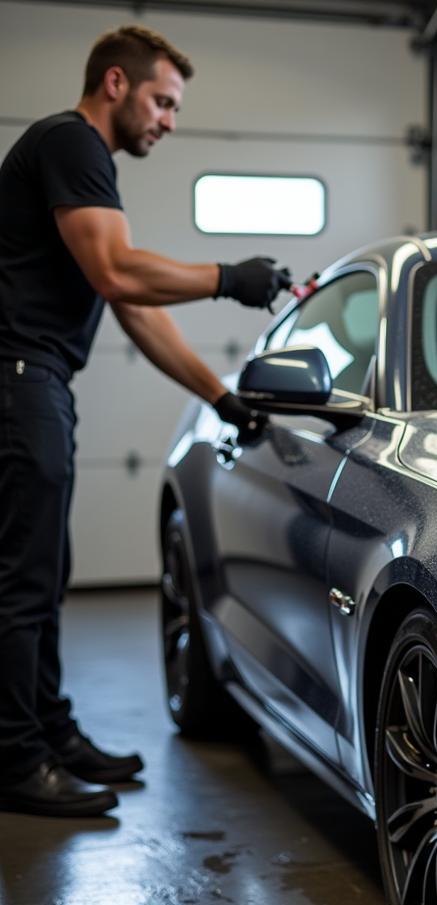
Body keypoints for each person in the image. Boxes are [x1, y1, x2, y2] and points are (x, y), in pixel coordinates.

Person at [0, 25, 289, 817]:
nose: (168, 120)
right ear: (117, 85)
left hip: (39, 383)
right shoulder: (70, 142)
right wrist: (231, 279)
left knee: (43, 573)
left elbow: (128, 300)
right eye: (163, 101)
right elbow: (119, 269)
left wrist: (221, 397)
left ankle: (49, 732)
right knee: (22, 582)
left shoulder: (82, 168)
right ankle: (15, 758)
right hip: (20, 380)